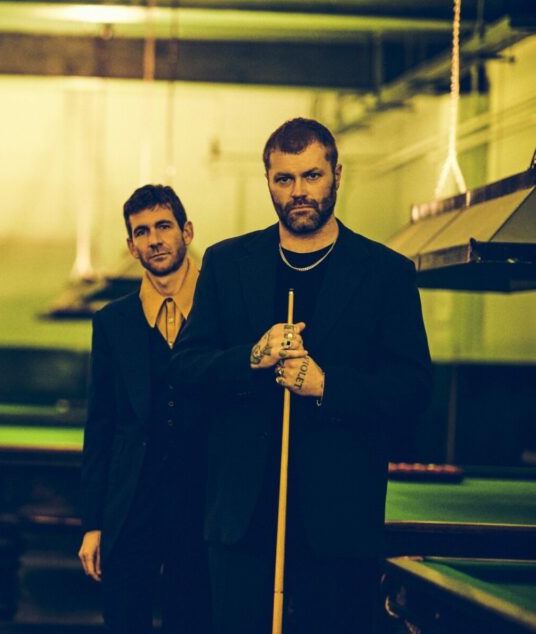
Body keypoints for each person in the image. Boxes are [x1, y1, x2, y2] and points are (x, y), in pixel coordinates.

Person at [170, 118, 432, 633]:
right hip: (242, 524)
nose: (298, 192)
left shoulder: (386, 273)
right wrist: (252, 356)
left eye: (311, 176)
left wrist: (326, 386)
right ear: (267, 180)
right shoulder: (226, 263)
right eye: (284, 179)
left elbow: (413, 391)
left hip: (338, 526)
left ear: (337, 174)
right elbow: (185, 369)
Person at [79, 184, 212, 633]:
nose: (154, 238)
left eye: (163, 226)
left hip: (204, 504)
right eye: (142, 231)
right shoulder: (112, 322)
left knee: (194, 620)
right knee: (123, 620)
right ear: (131, 246)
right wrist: (92, 524)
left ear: (186, 231)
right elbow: (100, 427)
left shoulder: (224, 307)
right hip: (131, 503)